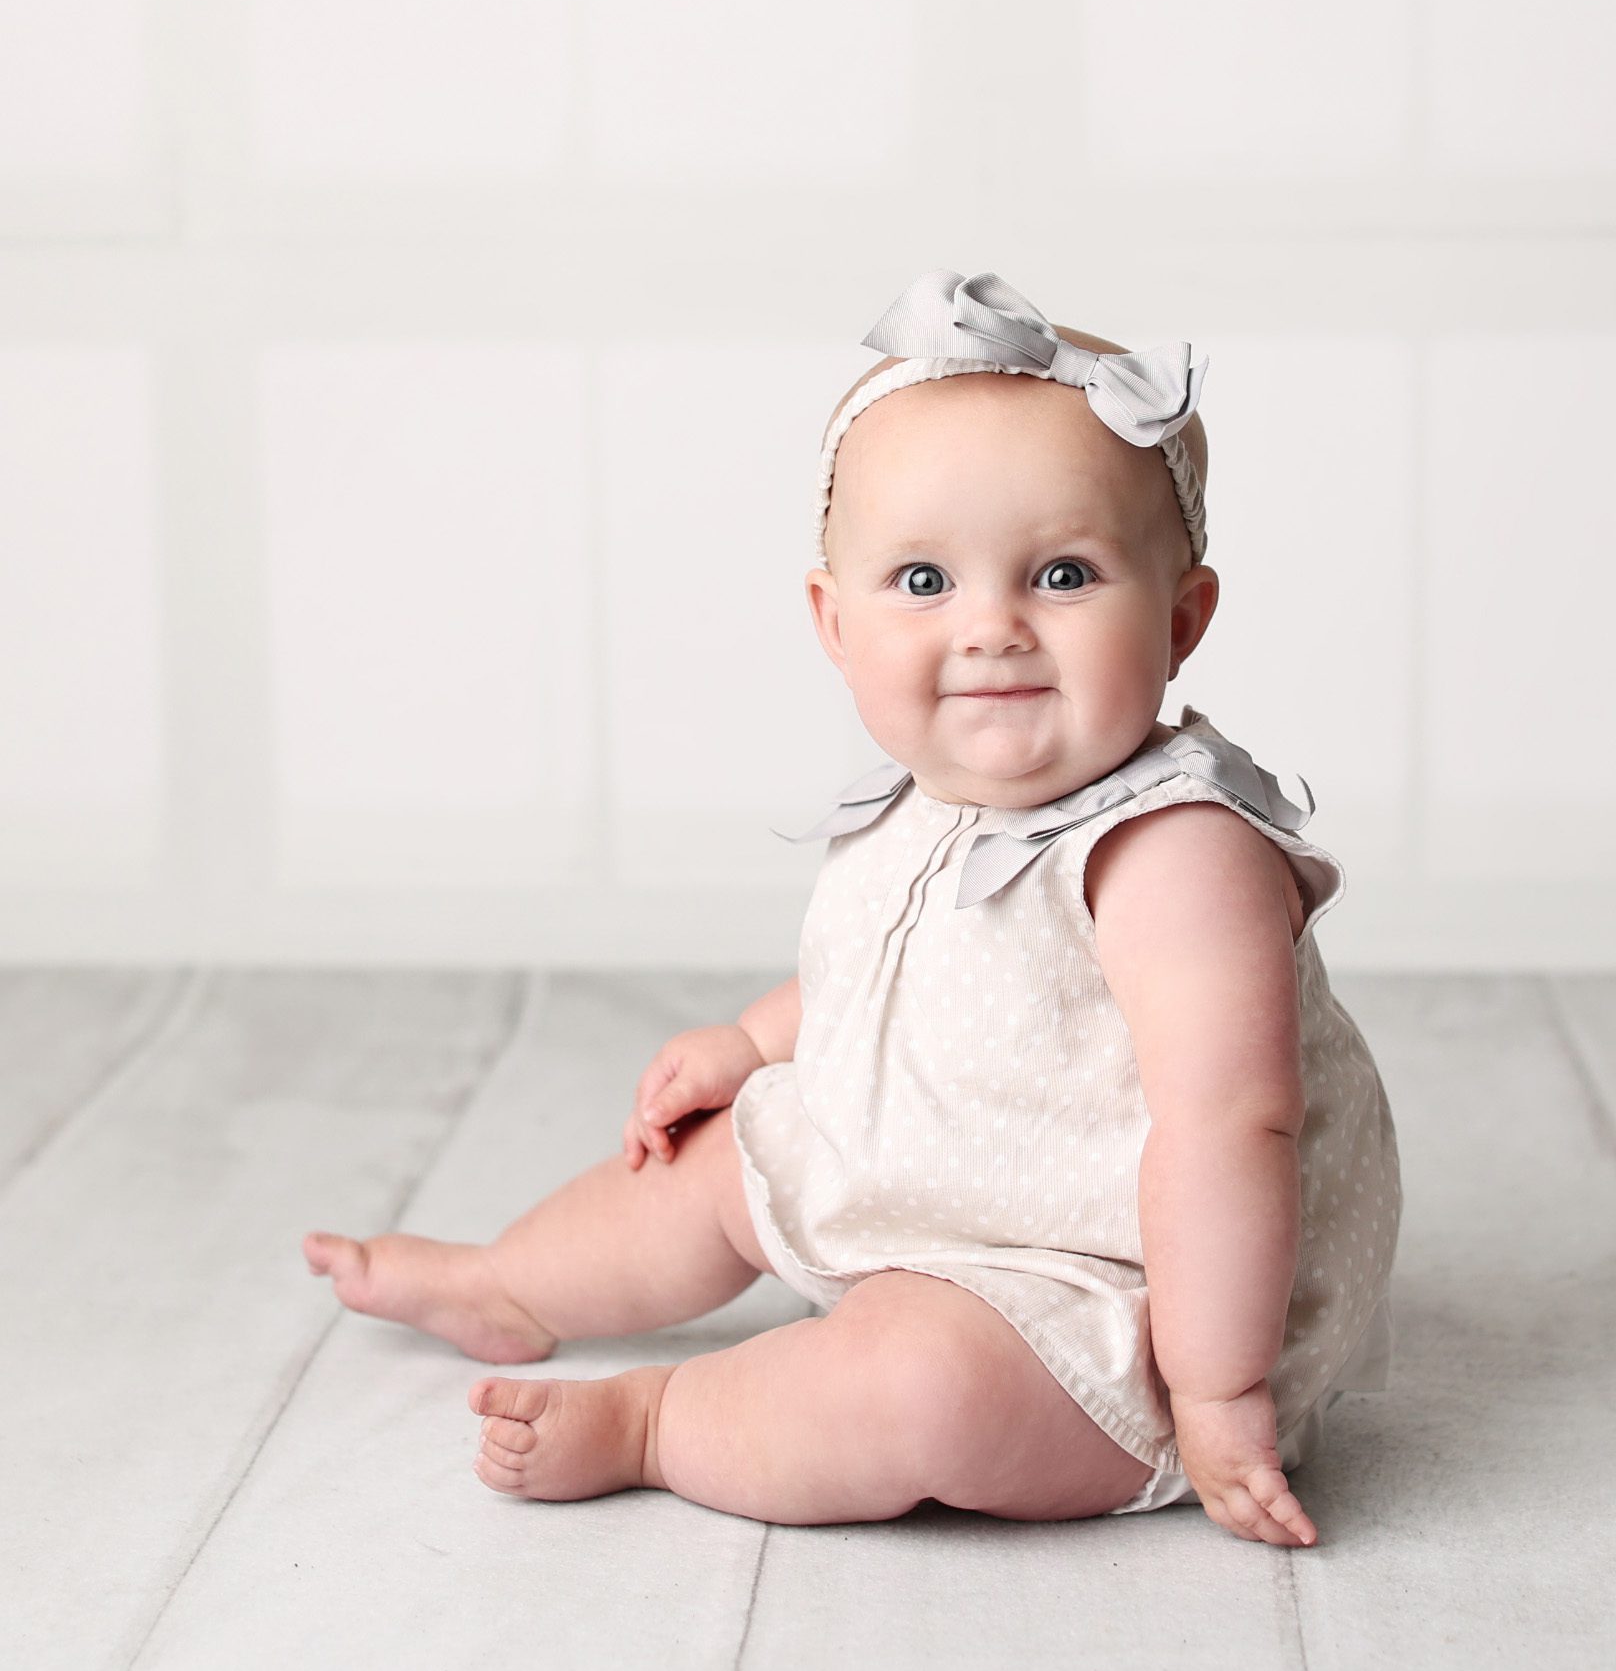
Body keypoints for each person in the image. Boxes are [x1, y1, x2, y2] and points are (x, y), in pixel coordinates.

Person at [302, 267, 1401, 1546]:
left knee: (914, 1376)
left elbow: (1232, 1124)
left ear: (1181, 613)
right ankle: (504, 1282)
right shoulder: (917, 802)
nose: (989, 628)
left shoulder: (1172, 853)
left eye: (1060, 573)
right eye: (925, 581)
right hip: (923, 1174)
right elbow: (897, 975)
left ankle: (662, 1420)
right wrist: (756, 1044)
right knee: (711, 1159)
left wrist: (1215, 1386)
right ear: (834, 621)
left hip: (1106, 1298)